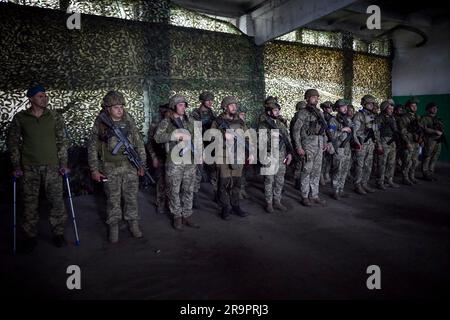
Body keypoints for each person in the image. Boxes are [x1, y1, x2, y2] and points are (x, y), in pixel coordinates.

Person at [7, 85, 69, 252]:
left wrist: (63, 164)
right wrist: (16, 166)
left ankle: (58, 233)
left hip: (52, 166)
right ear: (31, 99)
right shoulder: (20, 118)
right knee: (29, 204)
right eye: (40, 96)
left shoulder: (55, 116)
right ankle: (30, 236)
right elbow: (12, 142)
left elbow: (62, 141)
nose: (45, 98)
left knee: (56, 202)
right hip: (29, 167)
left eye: (45, 96)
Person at [88, 91, 146, 243]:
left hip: (129, 166)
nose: (120, 110)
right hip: (109, 167)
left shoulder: (128, 120)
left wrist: (142, 165)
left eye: (121, 107)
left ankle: (133, 224)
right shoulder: (100, 123)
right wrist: (94, 169)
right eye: (116, 107)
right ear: (107, 108)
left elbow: (139, 143)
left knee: (132, 198)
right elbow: (92, 147)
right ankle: (113, 227)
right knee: (113, 200)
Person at [154, 94, 199, 230]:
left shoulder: (190, 120)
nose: (183, 107)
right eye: (180, 105)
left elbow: (197, 138)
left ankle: (187, 214)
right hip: (174, 161)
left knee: (188, 189)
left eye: (184, 105)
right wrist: (173, 136)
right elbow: (157, 138)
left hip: (189, 160)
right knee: (174, 190)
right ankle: (177, 216)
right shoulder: (166, 122)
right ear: (173, 106)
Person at [211, 96, 253, 220]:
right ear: (225, 107)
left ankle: (235, 205)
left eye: (235, 104)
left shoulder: (240, 122)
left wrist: (251, 153)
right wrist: (223, 136)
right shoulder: (217, 122)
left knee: (236, 183)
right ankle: (225, 207)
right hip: (223, 156)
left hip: (238, 156)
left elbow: (248, 137)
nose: (234, 107)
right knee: (223, 184)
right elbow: (211, 138)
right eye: (231, 105)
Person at [292, 89, 330, 207]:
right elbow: (296, 131)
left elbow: (323, 129)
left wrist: (324, 142)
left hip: (318, 144)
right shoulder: (302, 113)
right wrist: (298, 147)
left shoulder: (319, 112)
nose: (316, 99)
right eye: (313, 97)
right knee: (306, 171)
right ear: (307, 98)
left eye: (317, 97)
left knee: (317, 171)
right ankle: (304, 196)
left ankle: (314, 195)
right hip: (307, 145)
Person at [258, 101, 293, 212]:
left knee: (280, 180)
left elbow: (288, 140)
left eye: (278, 110)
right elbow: (262, 143)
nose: (277, 112)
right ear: (269, 112)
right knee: (269, 180)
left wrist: (289, 153)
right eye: (275, 110)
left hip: (281, 155)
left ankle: (277, 201)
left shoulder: (281, 124)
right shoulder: (263, 125)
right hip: (269, 155)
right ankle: (269, 203)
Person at [329, 99, 360, 200]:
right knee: (337, 170)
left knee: (345, 170)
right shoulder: (333, 120)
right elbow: (331, 134)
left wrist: (357, 143)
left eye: (346, 106)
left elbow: (353, 133)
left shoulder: (348, 120)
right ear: (337, 109)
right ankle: (335, 191)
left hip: (347, 149)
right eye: (343, 107)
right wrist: (342, 129)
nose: (345, 108)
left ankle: (341, 189)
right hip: (339, 148)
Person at [190, 91, 217, 206]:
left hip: (210, 144)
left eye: (212, 100)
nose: (210, 102)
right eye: (208, 100)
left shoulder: (211, 112)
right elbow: (193, 129)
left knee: (214, 171)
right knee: (198, 172)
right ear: (202, 101)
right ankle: (194, 196)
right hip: (198, 144)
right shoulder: (195, 113)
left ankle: (217, 193)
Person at [353, 94, 383, 194]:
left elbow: (376, 131)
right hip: (362, 143)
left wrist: (378, 144)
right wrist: (358, 143)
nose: (371, 105)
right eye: (369, 103)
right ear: (364, 103)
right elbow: (355, 132)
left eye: (372, 103)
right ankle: (357, 185)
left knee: (368, 165)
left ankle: (364, 183)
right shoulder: (359, 115)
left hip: (370, 144)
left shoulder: (373, 116)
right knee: (359, 165)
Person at [146, 104, 169, 214]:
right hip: (161, 156)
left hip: (174, 157)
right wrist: (154, 157)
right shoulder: (156, 123)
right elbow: (150, 143)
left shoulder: (176, 121)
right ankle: (160, 203)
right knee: (161, 181)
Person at [376, 100, 400, 189]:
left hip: (392, 141)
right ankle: (380, 182)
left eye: (392, 108)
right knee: (382, 163)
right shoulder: (379, 118)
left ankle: (389, 180)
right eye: (389, 108)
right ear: (384, 108)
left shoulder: (392, 117)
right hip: (384, 141)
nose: (391, 110)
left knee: (391, 162)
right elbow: (376, 132)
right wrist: (379, 144)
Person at [398, 98, 422, 185]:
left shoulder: (417, 117)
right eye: (412, 106)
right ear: (408, 107)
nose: (415, 107)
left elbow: (420, 129)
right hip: (409, 142)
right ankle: (405, 178)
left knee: (415, 161)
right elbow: (402, 132)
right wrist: (407, 142)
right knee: (407, 161)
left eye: (416, 106)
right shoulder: (404, 118)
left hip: (416, 142)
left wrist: (421, 139)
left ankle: (412, 176)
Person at [420, 102, 445, 181]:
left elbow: (441, 128)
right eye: (433, 107)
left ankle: (431, 172)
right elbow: (422, 128)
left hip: (438, 141)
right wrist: (434, 131)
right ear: (428, 109)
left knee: (435, 157)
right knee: (427, 157)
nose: (435, 109)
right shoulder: (424, 118)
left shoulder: (437, 119)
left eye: (436, 108)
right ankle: (425, 174)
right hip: (429, 140)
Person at [290, 100, 307, 190]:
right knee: (299, 164)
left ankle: (299, 181)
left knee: (302, 163)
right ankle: (297, 181)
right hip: (297, 144)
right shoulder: (296, 118)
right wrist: (297, 146)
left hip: (301, 143)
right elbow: (295, 133)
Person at [319, 101, 334, 186]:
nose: (331, 109)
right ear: (324, 109)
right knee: (322, 160)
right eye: (329, 108)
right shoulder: (321, 117)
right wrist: (325, 141)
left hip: (330, 140)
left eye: (331, 108)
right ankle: (321, 176)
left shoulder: (331, 118)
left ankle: (326, 174)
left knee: (328, 160)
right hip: (323, 140)